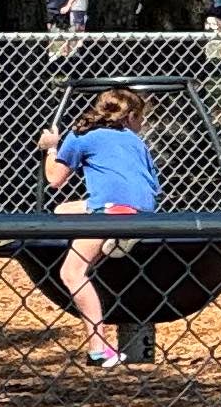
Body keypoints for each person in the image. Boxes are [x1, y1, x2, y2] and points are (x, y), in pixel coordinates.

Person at [40, 89, 161, 366]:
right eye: (142, 118)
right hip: (141, 211)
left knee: (71, 273)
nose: (141, 124)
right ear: (130, 117)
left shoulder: (80, 135)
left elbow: (54, 179)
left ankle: (99, 347)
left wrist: (51, 147)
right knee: (62, 210)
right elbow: (151, 186)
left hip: (110, 210)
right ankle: (116, 238)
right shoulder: (135, 141)